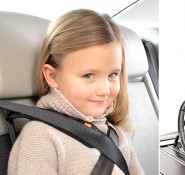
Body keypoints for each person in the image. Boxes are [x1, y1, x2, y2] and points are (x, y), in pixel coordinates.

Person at [8, 9, 144, 175]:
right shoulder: (40, 137)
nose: (104, 90)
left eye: (113, 75)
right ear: (52, 76)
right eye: (89, 75)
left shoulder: (117, 136)